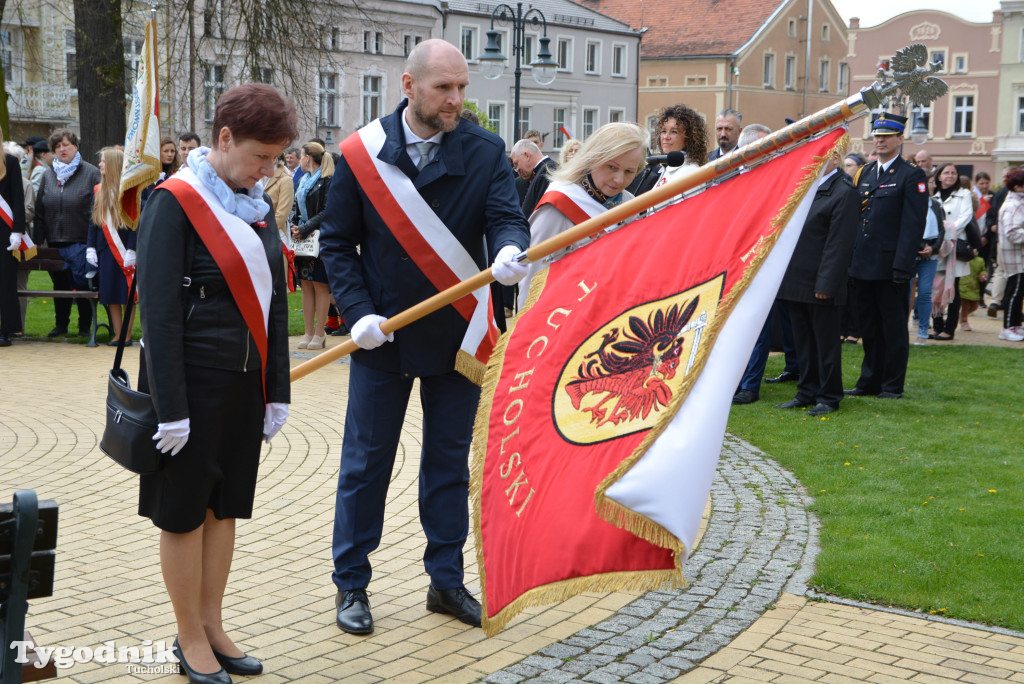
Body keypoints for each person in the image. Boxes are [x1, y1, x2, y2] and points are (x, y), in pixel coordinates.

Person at [318, 38, 530, 635]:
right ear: (408, 87)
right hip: (381, 335)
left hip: (458, 338)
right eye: (444, 88)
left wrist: (512, 247)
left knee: (446, 464)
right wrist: (357, 312)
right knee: (366, 464)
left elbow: (504, 216)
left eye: (462, 87)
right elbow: (337, 242)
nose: (456, 99)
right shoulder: (362, 154)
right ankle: (352, 585)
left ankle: (446, 580)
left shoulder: (486, 151)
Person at [136, 83, 294, 684]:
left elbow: (275, 305)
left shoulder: (253, 208)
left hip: (243, 383)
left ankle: (213, 622)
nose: (268, 171)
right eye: (260, 156)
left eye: (275, 159)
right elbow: (160, 311)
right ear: (224, 139)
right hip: (190, 385)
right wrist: (170, 406)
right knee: (183, 513)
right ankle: (187, 636)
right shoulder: (174, 203)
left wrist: (276, 388)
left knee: (223, 508)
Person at [518, 122, 647, 308]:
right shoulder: (559, 203)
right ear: (593, 158)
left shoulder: (630, 204)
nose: (619, 179)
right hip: (564, 318)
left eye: (629, 172)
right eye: (611, 167)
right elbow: (533, 278)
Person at [845, 113, 927, 399]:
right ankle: (869, 380)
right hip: (863, 263)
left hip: (891, 265)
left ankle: (892, 385)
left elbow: (912, 225)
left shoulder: (911, 175)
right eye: (877, 135)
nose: (879, 140)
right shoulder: (866, 173)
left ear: (899, 139)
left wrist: (903, 266)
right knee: (869, 327)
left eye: (886, 136)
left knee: (892, 328)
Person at [774, 150, 859, 416]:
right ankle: (806, 391)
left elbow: (839, 245)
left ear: (834, 159)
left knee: (826, 343)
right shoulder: (805, 188)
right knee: (803, 342)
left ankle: (829, 396)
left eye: (820, 155)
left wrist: (826, 285)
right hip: (796, 280)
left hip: (821, 283)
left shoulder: (844, 192)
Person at [33, 129, 101, 337]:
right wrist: (38, 240)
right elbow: (40, 211)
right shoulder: (48, 174)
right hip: (54, 242)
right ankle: (61, 324)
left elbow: (97, 209)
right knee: (59, 286)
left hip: (82, 241)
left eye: (66, 145)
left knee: (82, 284)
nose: (62, 150)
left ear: (76, 147)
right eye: (57, 147)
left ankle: (84, 326)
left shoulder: (90, 173)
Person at [86, 147, 137, 345]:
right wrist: (90, 247)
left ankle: (127, 334)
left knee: (127, 293)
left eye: (104, 161)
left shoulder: (131, 192)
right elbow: (93, 221)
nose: (100, 165)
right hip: (106, 249)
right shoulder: (99, 190)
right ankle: (118, 333)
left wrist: (133, 249)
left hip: (125, 249)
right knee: (112, 293)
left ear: (115, 165)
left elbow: (135, 224)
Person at [289, 142, 334, 350]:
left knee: (320, 285)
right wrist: (295, 226)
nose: (299, 160)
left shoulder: (326, 181)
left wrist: (304, 227)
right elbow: (297, 208)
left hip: (320, 238)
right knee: (305, 284)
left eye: (302, 156)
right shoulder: (304, 181)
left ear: (308, 158)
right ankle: (308, 332)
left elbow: (326, 211)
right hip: (304, 240)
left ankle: (320, 332)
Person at [930, 163, 975, 341]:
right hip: (937, 246)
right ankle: (937, 325)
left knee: (952, 288)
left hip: (955, 245)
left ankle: (949, 328)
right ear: (939, 176)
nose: (950, 176)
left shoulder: (963, 194)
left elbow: (966, 216)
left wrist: (947, 232)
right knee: (936, 287)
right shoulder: (934, 197)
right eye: (946, 172)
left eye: (953, 173)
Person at [629, 104, 707, 197]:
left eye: (674, 132)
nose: (666, 137)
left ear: (689, 138)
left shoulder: (690, 173)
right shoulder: (666, 168)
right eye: (663, 131)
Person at [1, 129, 27, 347]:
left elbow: (18, 198)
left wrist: (18, 231)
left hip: (4, 232)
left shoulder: (10, 162)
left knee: (5, 282)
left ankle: (6, 329)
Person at [911, 190, 944, 346]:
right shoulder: (907, 201)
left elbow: (941, 229)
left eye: (929, 182)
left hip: (930, 256)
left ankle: (922, 331)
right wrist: (917, 246)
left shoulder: (936, 205)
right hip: (909, 254)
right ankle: (900, 329)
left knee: (925, 292)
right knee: (905, 293)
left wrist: (933, 248)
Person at [996, 168, 1024, 341]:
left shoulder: (1017, 202)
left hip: (1017, 256)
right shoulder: (1014, 205)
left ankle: (1014, 325)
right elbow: (1012, 232)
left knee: (1017, 291)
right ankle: (1007, 327)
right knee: (1014, 292)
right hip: (1015, 257)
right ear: (1018, 187)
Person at [513, 139, 555, 216]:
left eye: (517, 163)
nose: (517, 169)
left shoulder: (546, 172)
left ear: (527, 155)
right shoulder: (543, 171)